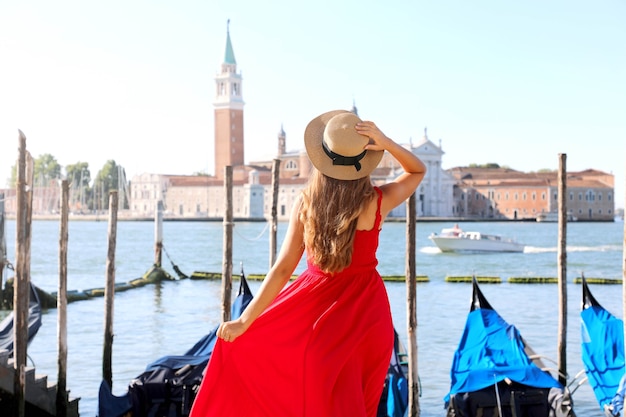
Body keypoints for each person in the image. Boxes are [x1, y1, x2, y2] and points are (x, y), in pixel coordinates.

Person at [189, 109, 426, 417]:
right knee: (359, 403)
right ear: (362, 161)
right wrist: (386, 141)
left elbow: (283, 267)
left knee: (315, 398)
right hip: (369, 313)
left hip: (317, 312)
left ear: (322, 158)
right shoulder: (376, 201)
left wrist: (245, 320)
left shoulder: (306, 203)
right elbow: (417, 171)